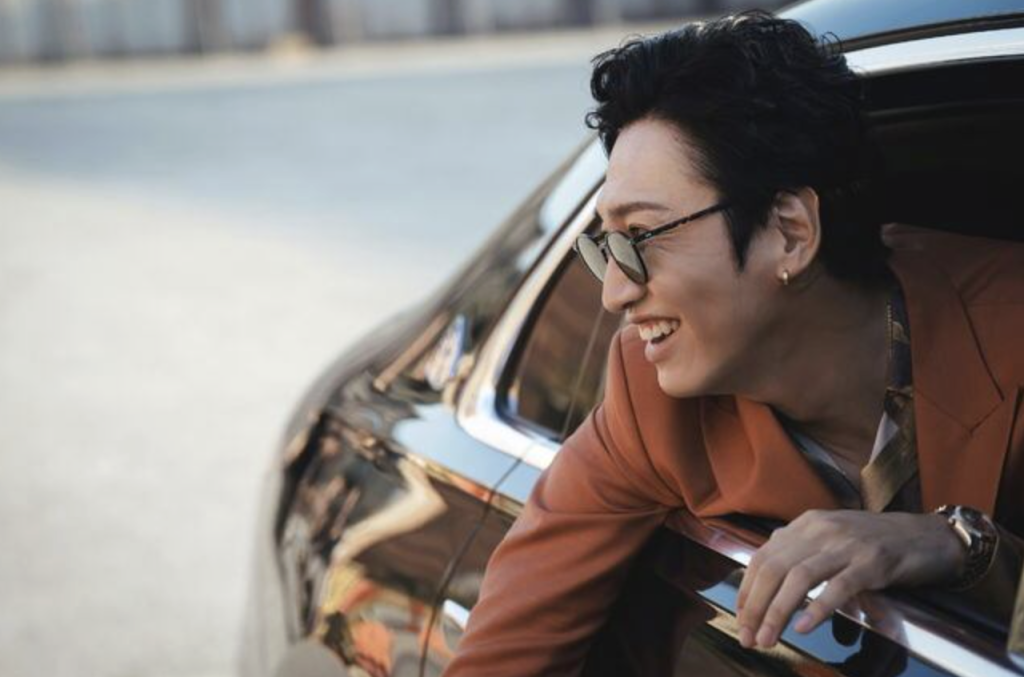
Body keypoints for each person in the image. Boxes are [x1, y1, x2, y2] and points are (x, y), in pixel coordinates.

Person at [443, 10, 1024, 676]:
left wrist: (962, 547)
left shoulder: (1010, 332)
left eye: (642, 237)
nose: (614, 294)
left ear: (790, 232)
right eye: (608, 247)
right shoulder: (653, 397)